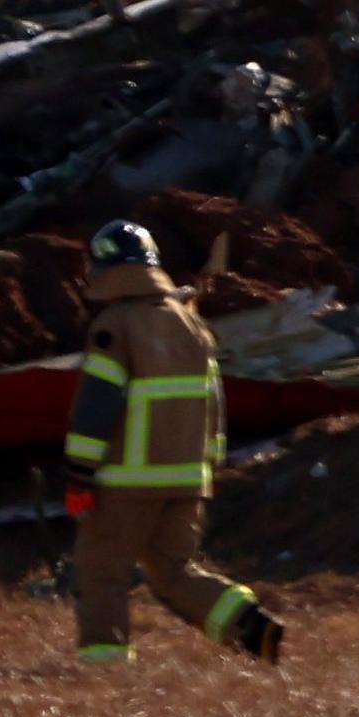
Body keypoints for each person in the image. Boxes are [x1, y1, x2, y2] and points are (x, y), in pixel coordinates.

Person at [61, 219, 282, 664]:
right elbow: (215, 403)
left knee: (102, 569)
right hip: (188, 479)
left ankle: (103, 665)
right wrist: (211, 463)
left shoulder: (114, 326)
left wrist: (79, 473)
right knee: (173, 573)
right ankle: (251, 626)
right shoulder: (192, 324)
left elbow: (97, 406)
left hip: (127, 480)